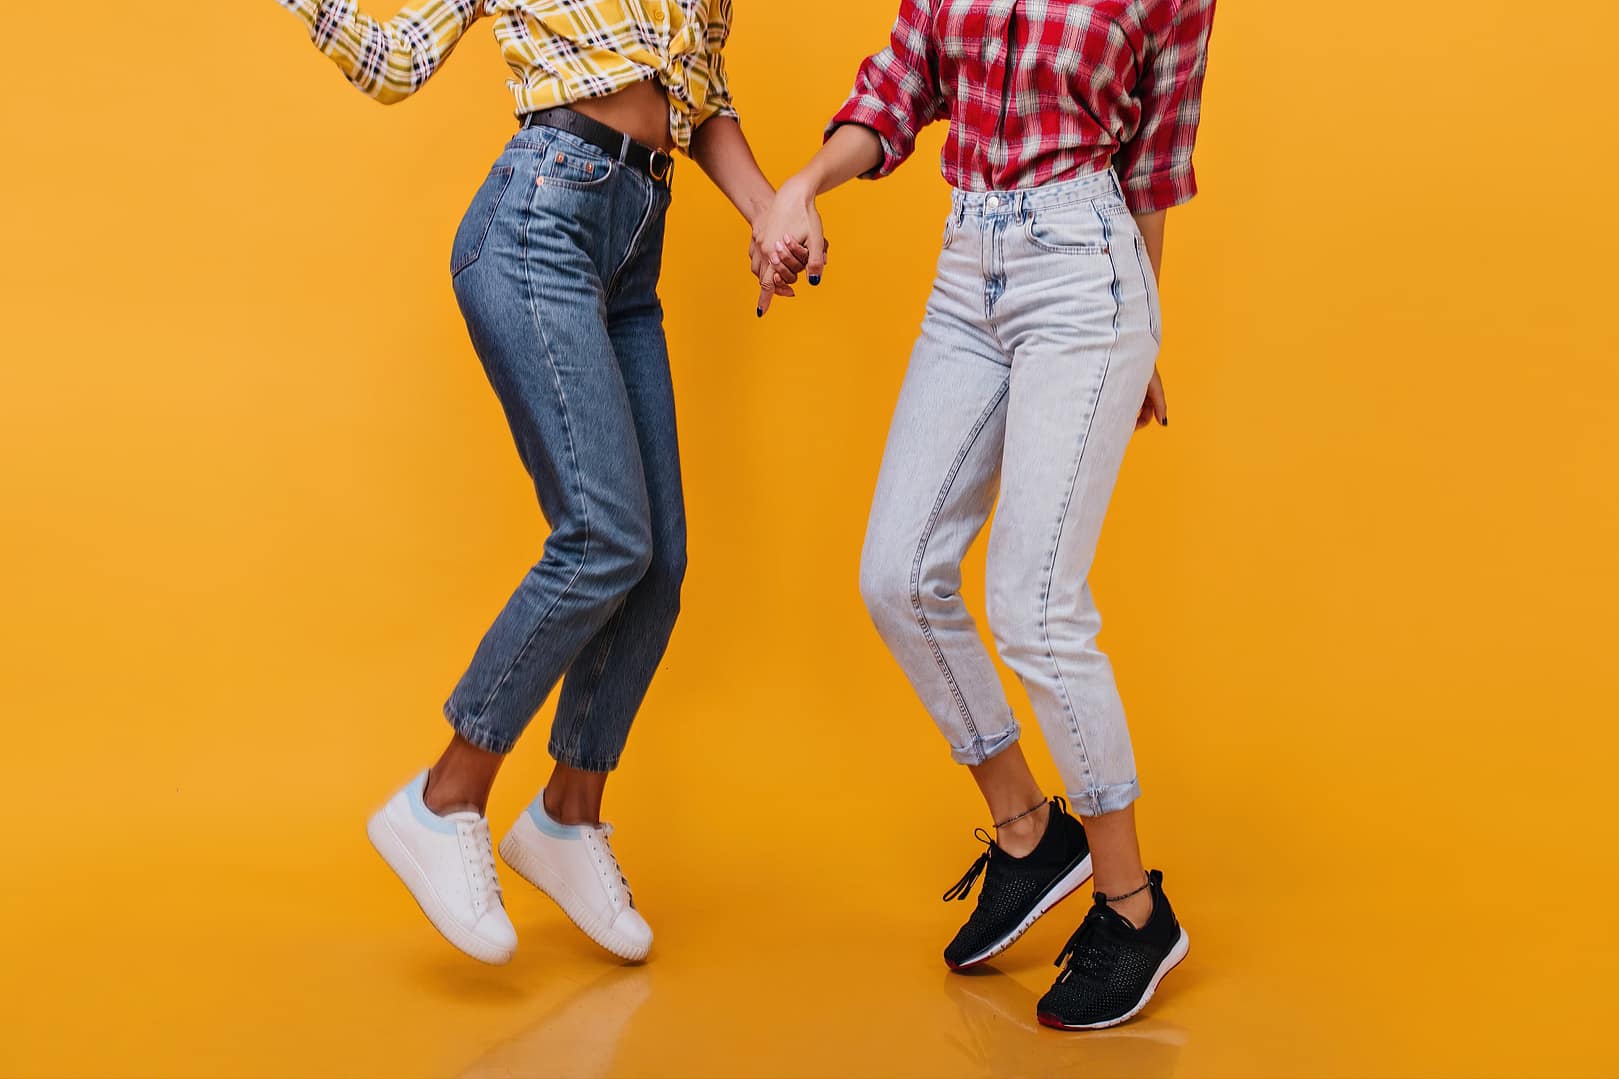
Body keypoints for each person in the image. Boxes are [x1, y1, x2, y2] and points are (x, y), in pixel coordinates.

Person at [276, 0, 810, 965]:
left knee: (657, 565)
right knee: (603, 535)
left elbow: (697, 97)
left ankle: (568, 811)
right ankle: (443, 797)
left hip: (632, 247)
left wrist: (771, 209)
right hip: (539, 219)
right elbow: (397, 61)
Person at [753, 0, 1216, 1029]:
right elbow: (900, 83)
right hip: (969, 268)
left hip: (1083, 273)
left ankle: (1131, 908)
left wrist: (1138, 334)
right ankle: (1026, 832)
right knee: (897, 575)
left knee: (1033, 605)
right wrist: (801, 183)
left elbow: (1153, 162)